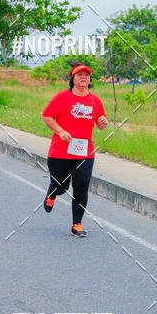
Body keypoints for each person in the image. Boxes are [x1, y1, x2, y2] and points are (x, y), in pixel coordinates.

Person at [41, 64, 109, 237]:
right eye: (79, 74)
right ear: (72, 79)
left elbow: (100, 124)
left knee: (81, 186)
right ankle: (52, 194)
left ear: (90, 80)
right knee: (62, 186)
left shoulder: (95, 100)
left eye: (87, 74)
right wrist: (61, 131)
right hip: (60, 152)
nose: (84, 77)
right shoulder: (62, 97)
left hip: (84, 153)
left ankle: (77, 224)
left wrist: (103, 123)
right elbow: (46, 116)